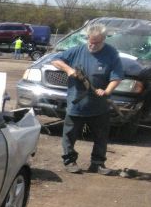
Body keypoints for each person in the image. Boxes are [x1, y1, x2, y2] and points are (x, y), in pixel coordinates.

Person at [51, 24, 124, 175]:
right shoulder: (77, 50)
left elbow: (117, 76)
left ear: (103, 39)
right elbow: (55, 60)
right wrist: (69, 70)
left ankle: (97, 163)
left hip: (99, 105)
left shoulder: (111, 53)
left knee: (101, 136)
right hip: (76, 103)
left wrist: (107, 91)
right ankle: (70, 161)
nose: (92, 45)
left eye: (96, 42)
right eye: (90, 41)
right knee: (70, 134)